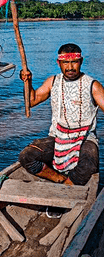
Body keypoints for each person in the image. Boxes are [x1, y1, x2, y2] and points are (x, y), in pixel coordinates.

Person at [19, 43, 104, 185]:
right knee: (26, 156)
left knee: (90, 161)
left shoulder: (92, 85)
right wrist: (28, 81)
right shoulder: (52, 82)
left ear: (80, 62)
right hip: (58, 137)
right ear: (59, 63)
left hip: (84, 139)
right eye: (65, 63)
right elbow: (31, 101)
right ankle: (59, 179)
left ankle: (68, 186)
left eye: (74, 62)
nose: (70, 67)